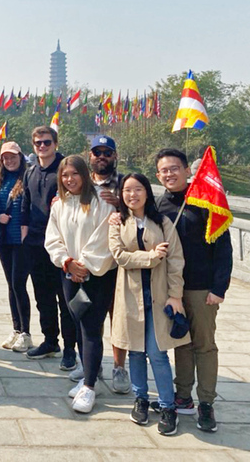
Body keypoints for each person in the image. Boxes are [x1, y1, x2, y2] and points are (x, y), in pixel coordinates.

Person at [155, 148, 232, 432]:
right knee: (181, 343)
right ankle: (183, 396)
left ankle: (207, 403)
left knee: (204, 346)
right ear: (158, 175)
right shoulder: (160, 206)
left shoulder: (206, 203)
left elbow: (224, 249)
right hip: (171, 289)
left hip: (202, 289)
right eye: (164, 170)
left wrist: (219, 288)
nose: (169, 174)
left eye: (175, 168)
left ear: (188, 170)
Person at [109, 173, 187, 435]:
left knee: (157, 352)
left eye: (138, 189)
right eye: (127, 190)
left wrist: (175, 294)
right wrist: (151, 257)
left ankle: (167, 406)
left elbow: (175, 259)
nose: (132, 195)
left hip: (159, 295)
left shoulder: (163, 221)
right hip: (131, 296)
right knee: (135, 351)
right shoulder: (118, 221)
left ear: (147, 192)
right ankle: (140, 398)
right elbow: (120, 256)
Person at [45, 155, 116, 413]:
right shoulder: (59, 204)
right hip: (68, 273)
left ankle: (89, 386)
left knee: (90, 327)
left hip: (97, 274)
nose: (69, 179)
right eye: (65, 175)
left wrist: (83, 265)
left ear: (85, 174)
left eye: (74, 174)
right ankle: (89, 373)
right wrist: (66, 262)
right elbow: (53, 238)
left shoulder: (101, 200)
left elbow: (104, 237)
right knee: (78, 322)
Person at [21, 127, 77, 370]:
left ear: (55, 143)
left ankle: (70, 348)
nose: (42, 147)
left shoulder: (66, 171)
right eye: (37, 143)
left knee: (65, 299)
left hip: (61, 244)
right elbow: (25, 202)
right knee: (42, 297)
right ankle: (50, 340)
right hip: (35, 243)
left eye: (46, 142)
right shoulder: (31, 170)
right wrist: (24, 231)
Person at [83, 134, 130, 393]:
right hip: (89, 258)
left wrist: (122, 205)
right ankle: (92, 363)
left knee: (117, 315)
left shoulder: (125, 183)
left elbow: (144, 212)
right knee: (91, 314)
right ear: (89, 156)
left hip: (117, 262)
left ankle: (119, 367)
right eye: (97, 152)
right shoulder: (81, 180)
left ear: (115, 157)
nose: (101, 157)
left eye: (107, 153)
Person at [0, 141, 32, 353]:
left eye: (13, 156)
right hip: (4, 239)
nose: (9, 160)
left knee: (19, 284)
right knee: (10, 284)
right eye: (5, 157)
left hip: (22, 241)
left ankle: (26, 332)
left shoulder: (28, 179)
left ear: (20, 157)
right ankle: (16, 328)